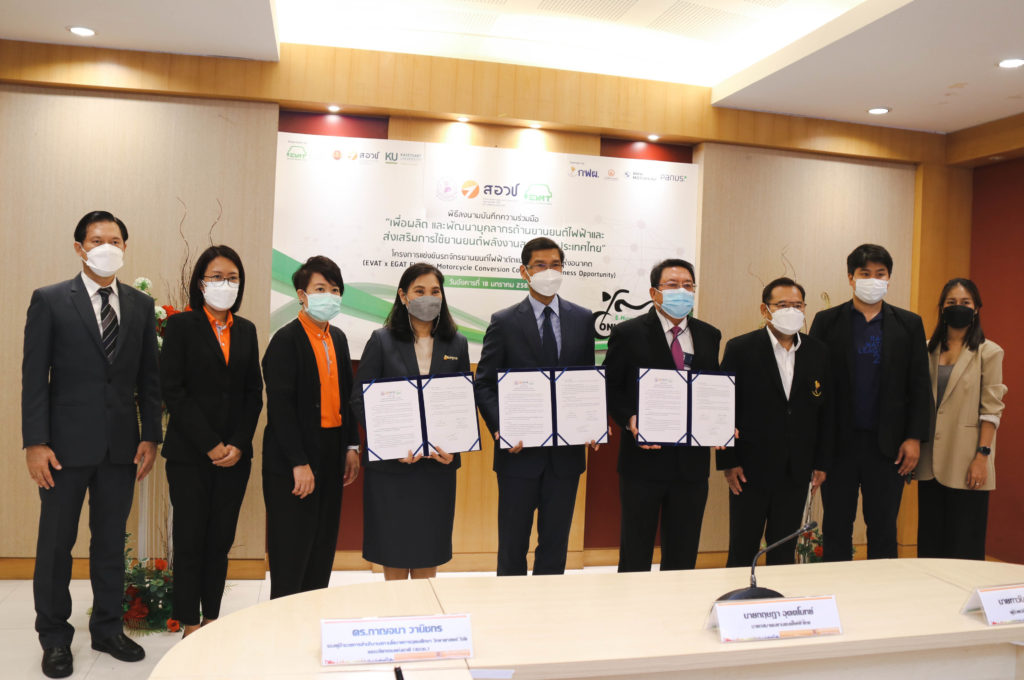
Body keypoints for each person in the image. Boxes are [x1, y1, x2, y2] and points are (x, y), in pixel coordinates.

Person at [22, 210, 161, 678]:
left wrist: (150, 435)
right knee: (55, 546)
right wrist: (35, 442)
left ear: (125, 247)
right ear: (79, 248)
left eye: (115, 240)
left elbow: (149, 379)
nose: (107, 247)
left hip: (121, 448)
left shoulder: (140, 305)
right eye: (97, 240)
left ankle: (107, 628)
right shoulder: (50, 300)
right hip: (62, 449)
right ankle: (54, 637)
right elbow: (34, 378)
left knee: (109, 544)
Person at [475, 237, 597, 576]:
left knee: (555, 545)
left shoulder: (582, 318)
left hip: (565, 456)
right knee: (512, 545)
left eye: (555, 265)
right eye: (540, 265)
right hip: (518, 453)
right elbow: (484, 383)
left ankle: (549, 605)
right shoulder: (504, 321)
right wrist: (501, 428)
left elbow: (586, 381)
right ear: (524, 272)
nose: (549, 271)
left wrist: (591, 423)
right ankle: (510, 605)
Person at [160, 245, 263, 637]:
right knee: (190, 540)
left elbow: (253, 393)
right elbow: (174, 390)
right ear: (200, 283)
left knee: (220, 541)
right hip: (190, 455)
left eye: (232, 278)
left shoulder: (246, 330)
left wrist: (237, 443)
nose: (225, 284)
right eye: (217, 277)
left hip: (235, 458)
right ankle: (189, 622)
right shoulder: (181, 326)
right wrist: (209, 443)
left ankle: (211, 620)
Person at [809, 244, 931, 561]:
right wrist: (817, 446)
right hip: (839, 446)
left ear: (889, 278)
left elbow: (920, 385)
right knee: (836, 527)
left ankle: (883, 588)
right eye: (865, 274)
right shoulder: (826, 321)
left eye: (880, 274)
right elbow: (814, 386)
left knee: (884, 528)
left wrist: (914, 437)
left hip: (889, 447)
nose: (873, 280)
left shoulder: (909, 324)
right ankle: (836, 586)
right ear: (851, 278)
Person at [353, 263, 470, 580]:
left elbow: (461, 402)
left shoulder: (457, 343)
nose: (428, 297)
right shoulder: (381, 340)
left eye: (435, 291)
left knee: (428, 549)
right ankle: (395, 610)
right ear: (403, 296)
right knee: (392, 549)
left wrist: (454, 449)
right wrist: (390, 444)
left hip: (436, 469)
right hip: (392, 468)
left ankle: (424, 609)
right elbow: (360, 399)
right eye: (420, 291)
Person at [604, 258, 721, 572]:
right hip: (643, 462)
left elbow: (713, 389)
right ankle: (632, 602)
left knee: (683, 551)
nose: (681, 291)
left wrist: (722, 424)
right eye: (672, 285)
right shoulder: (628, 333)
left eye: (688, 285)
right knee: (636, 550)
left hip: (692, 465)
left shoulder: (709, 335)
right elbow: (611, 387)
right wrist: (629, 418)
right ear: (654, 292)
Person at [261, 256, 360, 599]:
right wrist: (298, 462)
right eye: (320, 289)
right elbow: (281, 409)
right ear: (302, 295)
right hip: (295, 455)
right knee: (292, 547)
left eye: (335, 290)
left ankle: (314, 610)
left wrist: (351, 446)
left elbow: (347, 396)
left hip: (332, 450)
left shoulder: (339, 339)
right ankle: (285, 618)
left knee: (322, 543)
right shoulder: (285, 340)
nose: (328, 296)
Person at [717, 277, 832, 567]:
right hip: (749, 470)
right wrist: (728, 461)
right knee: (743, 548)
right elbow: (723, 407)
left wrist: (821, 462)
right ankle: (740, 595)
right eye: (782, 305)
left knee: (784, 550)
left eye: (797, 305)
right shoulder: (740, 349)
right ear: (765, 309)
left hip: (796, 469)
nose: (791, 311)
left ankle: (777, 596)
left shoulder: (818, 352)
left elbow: (825, 412)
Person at [917, 278, 1007, 560]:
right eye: (951, 302)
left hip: (968, 460)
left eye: (965, 302)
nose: (958, 307)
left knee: (964, 546)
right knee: (930, 545)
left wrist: (982, 456)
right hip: (930, 462)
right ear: (942, 308)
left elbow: (991, 408)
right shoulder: (926, 349)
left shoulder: (989, 352)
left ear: (976, 308)